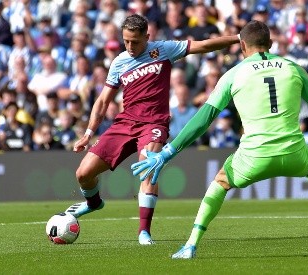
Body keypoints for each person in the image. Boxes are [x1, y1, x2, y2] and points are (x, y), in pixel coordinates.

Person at [130, 20, 308, 259]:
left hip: (253, 157)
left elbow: (203, 119)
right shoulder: (294, 67)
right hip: (294, 153)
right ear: (270, 43)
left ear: (242, 45)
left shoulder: (233, 74)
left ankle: (191, 244)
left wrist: (167, 152)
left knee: (221, 182)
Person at [63, 14, 240, 246]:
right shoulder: (119, 62)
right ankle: (94, 203)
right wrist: (88, 133)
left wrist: (238, 37)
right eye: (125, 41)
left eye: (135, 41)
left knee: (149, 165)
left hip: (154, 124)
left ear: (147, 36)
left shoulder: (164, 50)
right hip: (124, 124)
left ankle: (143, 232)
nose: (130, 47)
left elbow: (204, 45)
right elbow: (103, 101)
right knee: (83, 174)